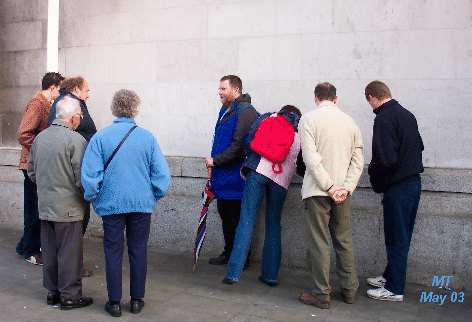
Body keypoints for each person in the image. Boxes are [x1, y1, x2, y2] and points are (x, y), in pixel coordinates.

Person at [81, 89, 171, 317]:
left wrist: (94, 197)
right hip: (141, 204)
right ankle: (137, 300)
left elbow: (90, 175)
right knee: (138, 249)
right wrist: (153, 195)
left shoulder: (100, 137)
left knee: (112, 251)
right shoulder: (147, 138)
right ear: (135, 109)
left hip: (112, 204)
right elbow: (162, 176)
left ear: (114, 108)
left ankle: (113, 302)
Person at [298, 82, 364, 309]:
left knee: (319, 242)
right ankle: (349, 290)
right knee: (344, 240)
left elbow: (310, 158)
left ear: (316, 98)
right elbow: (358, 160)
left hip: (318, 190)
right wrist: (344, 187)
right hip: (343, 193)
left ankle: (321, 294)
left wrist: (329, 186)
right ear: (335, 99)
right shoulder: (350, 122)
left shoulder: (308, 119)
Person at [223, 105, 302, 286]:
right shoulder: (297, 136)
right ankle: (270, 276)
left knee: (246, 220)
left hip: (258, 171)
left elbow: (249, 139)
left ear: (281, 112)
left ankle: (233, 273)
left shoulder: (269, 118)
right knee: (274, 224)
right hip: (281, 180)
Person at [28, 96, 93, 310]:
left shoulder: (40, 138)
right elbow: (81, 179)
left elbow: (32, 172)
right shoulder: (75, 140)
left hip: (46, 205)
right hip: (69, 208)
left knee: (49, 251)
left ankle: (52, 292)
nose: (80, 120)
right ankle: (70, 296)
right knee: (69, 254)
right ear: (74, 117)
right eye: (80, 117)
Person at [364, 81, 424, 302]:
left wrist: (375, 177)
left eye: (369, 101)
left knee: (396, 237)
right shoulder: (407, 115)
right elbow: (419, 146)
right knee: (403, 234)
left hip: (397, 186)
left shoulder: (383, 118)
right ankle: (390, 277)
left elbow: (385, 158)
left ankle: (394, 288)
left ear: (372, 97)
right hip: (413, 183)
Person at [205, 75, 258, 266]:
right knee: (226, 217)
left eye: (223, 89)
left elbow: (238, 147)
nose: (219, 92)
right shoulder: (226, 109)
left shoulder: (246, 111)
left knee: (236, 219)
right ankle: (228, 254)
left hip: (236, 177)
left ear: (236, 90)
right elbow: (219, 140)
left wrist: (215, 161)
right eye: (219, 88)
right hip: (222, 175)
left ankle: (241, 258)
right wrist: (213, 166)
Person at [48, 76, 97, 277]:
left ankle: (61, 272)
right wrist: (86, 187)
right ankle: (70, 272)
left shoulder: (68, 103)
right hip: (72, 169)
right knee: (75, 225)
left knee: (62, 230)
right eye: (87, 90)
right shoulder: (71, 105)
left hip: (64, 170)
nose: (88, 94)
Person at [16, 72, 64, 265]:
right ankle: (30, 251)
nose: (60, 93)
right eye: (59, 89)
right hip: (31, 164)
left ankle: (24, 245)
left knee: (36, 207)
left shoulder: (46, 104)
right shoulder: (38, 104)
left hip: (35, 163)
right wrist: (41, 148)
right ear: (52, 87)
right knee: (33, 209)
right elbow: (23, 133)